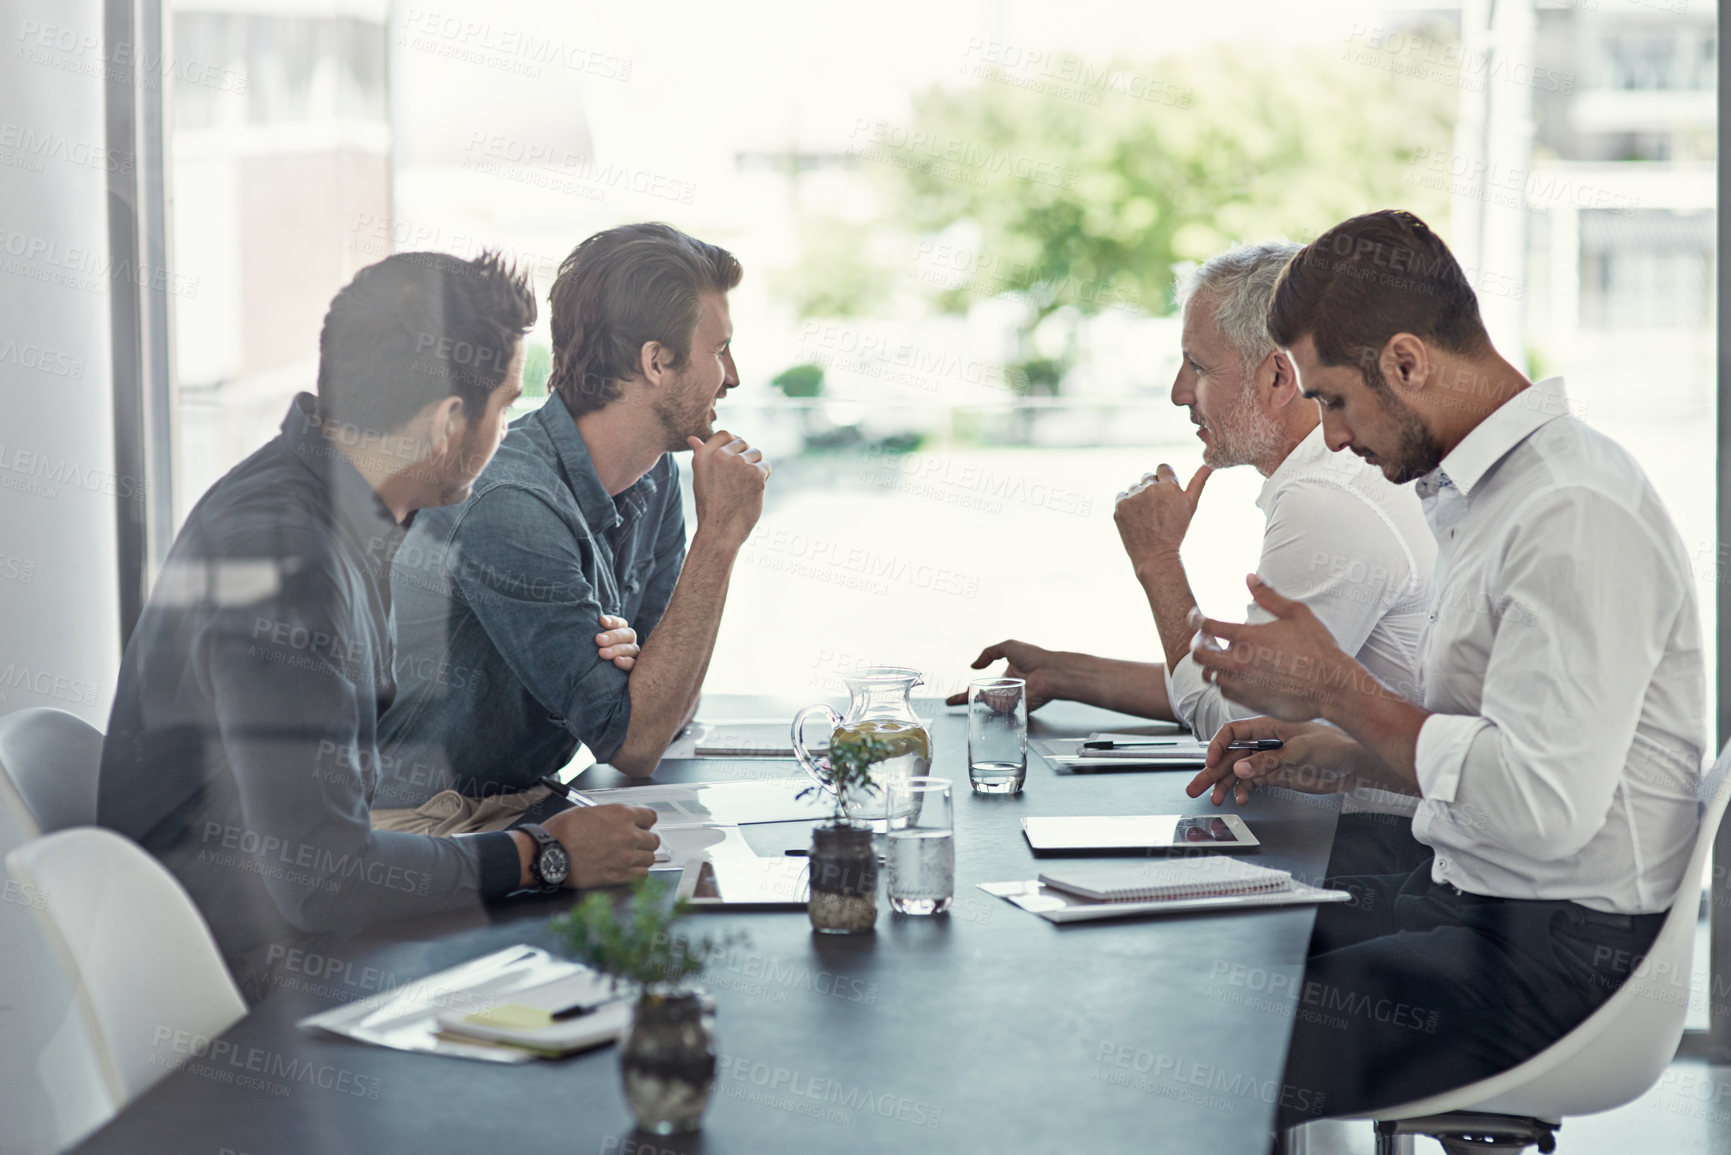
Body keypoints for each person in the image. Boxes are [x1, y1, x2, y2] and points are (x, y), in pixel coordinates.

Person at [1184, 210, 1705, 1125]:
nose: (1332, 438)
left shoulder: (1568, 510)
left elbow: (1540, 811)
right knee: (1205, 950)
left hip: (1556, 956)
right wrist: (1327, 746)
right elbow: (1477, 741)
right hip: (1476, 900)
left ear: (1406, 362)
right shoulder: (1492, 492)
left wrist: (1341, 692)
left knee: (1210, 1038)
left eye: (1334, 401)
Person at [97, 252, 660, 1003]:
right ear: (447, 424)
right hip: (236, 986)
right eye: (503, 406)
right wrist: (539, 855)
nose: (510, 429)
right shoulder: (289, 560)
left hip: (280, 927)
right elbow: (322, 880)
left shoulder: (339, 506)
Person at [952, 242, 1436, 873]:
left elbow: (1232, 730)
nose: (1181, 392)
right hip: (1351, 833)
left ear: (1277, 377)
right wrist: (1071, 674)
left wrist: (1157, 563)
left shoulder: (1325, 499)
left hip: (1374, 851)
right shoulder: (1330, 479)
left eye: (1198, 367)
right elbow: (1240, 686)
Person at [374, 223, 769, 818]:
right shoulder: (510, 504)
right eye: (718, 350)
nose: (732, 376)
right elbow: (634, 741)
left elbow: (666, 703)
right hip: (428, 828)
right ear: (656, 362)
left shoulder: (654, 474)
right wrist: (720, 538)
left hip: (535, 803)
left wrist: (646, 675)